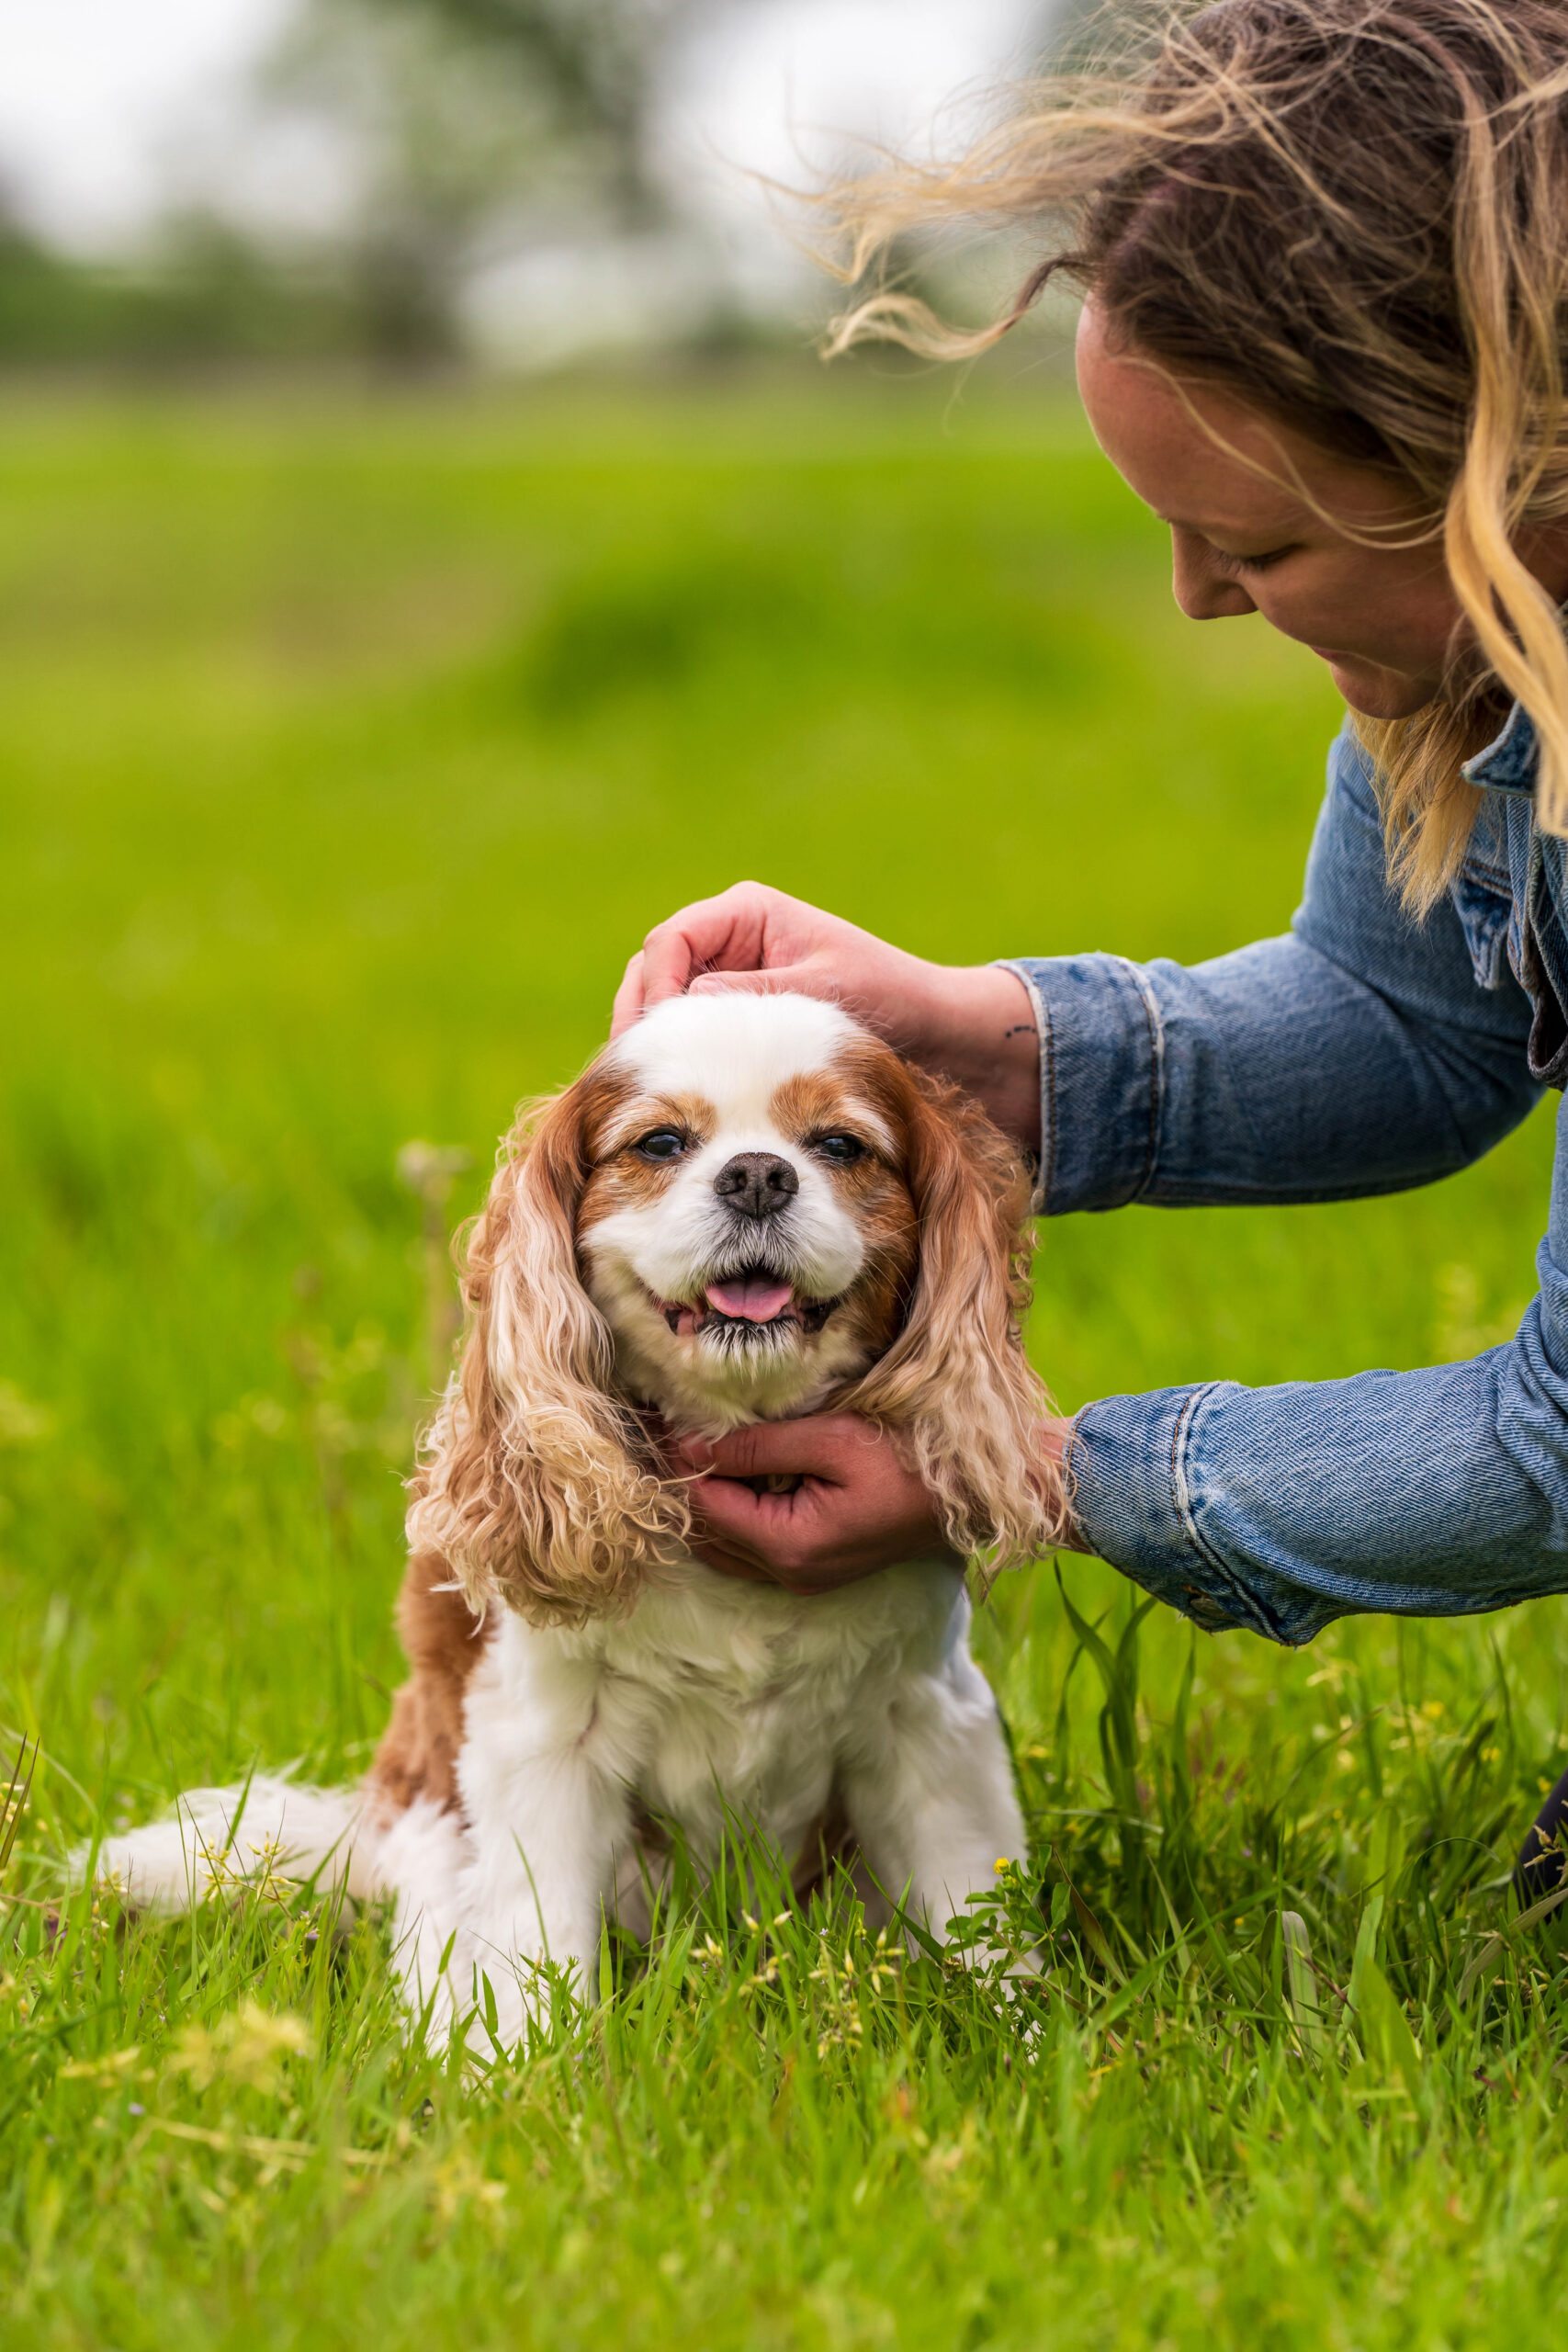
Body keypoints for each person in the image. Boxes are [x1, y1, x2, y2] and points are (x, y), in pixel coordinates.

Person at [611, 0, 1568, 1901]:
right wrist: (979, 1042)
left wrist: (1025, 1473)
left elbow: (1551, 1441)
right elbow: (1407, 1023)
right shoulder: (1490, 659)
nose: (1196, 597)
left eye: (1262, 543)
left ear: (1510, 447)